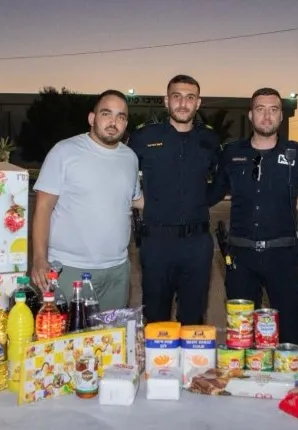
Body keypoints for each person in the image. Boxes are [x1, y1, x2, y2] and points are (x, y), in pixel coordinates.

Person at [208, 87, 298, 346]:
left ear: (281, 117)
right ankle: (244, 380)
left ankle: (289, 380)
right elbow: (214, 192)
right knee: (241, 330)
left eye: (273, 110)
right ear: (251, 115)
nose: (267, 116)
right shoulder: (231, 153)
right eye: (260, 110)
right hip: (241, 256)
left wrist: (286, 205)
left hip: (283, 256)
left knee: (289, 326)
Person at [30, 89, 141, 311]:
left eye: (121, 116)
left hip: (116, 272)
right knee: (66, 340)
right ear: (92, 118)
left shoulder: (130, 158)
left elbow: (137, 200)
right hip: (70, 270)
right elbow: (43, 207)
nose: (113, 122)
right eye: (106, 114)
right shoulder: (65, 152)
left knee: (110, 341)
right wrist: (39, 259)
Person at [128, 74, 220, 325]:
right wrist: (137, 199)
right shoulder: (144, 137)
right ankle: (158, 365)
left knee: (193, 318)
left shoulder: (209, 139)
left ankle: (193, 365)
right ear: (166, 101)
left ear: (198, 103)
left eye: (190, 98)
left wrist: (201, 201)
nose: (183, 103)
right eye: (176, 97)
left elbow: (223, 179)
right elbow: (120, 171)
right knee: (156, 319)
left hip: (197, 244)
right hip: (156, 242)